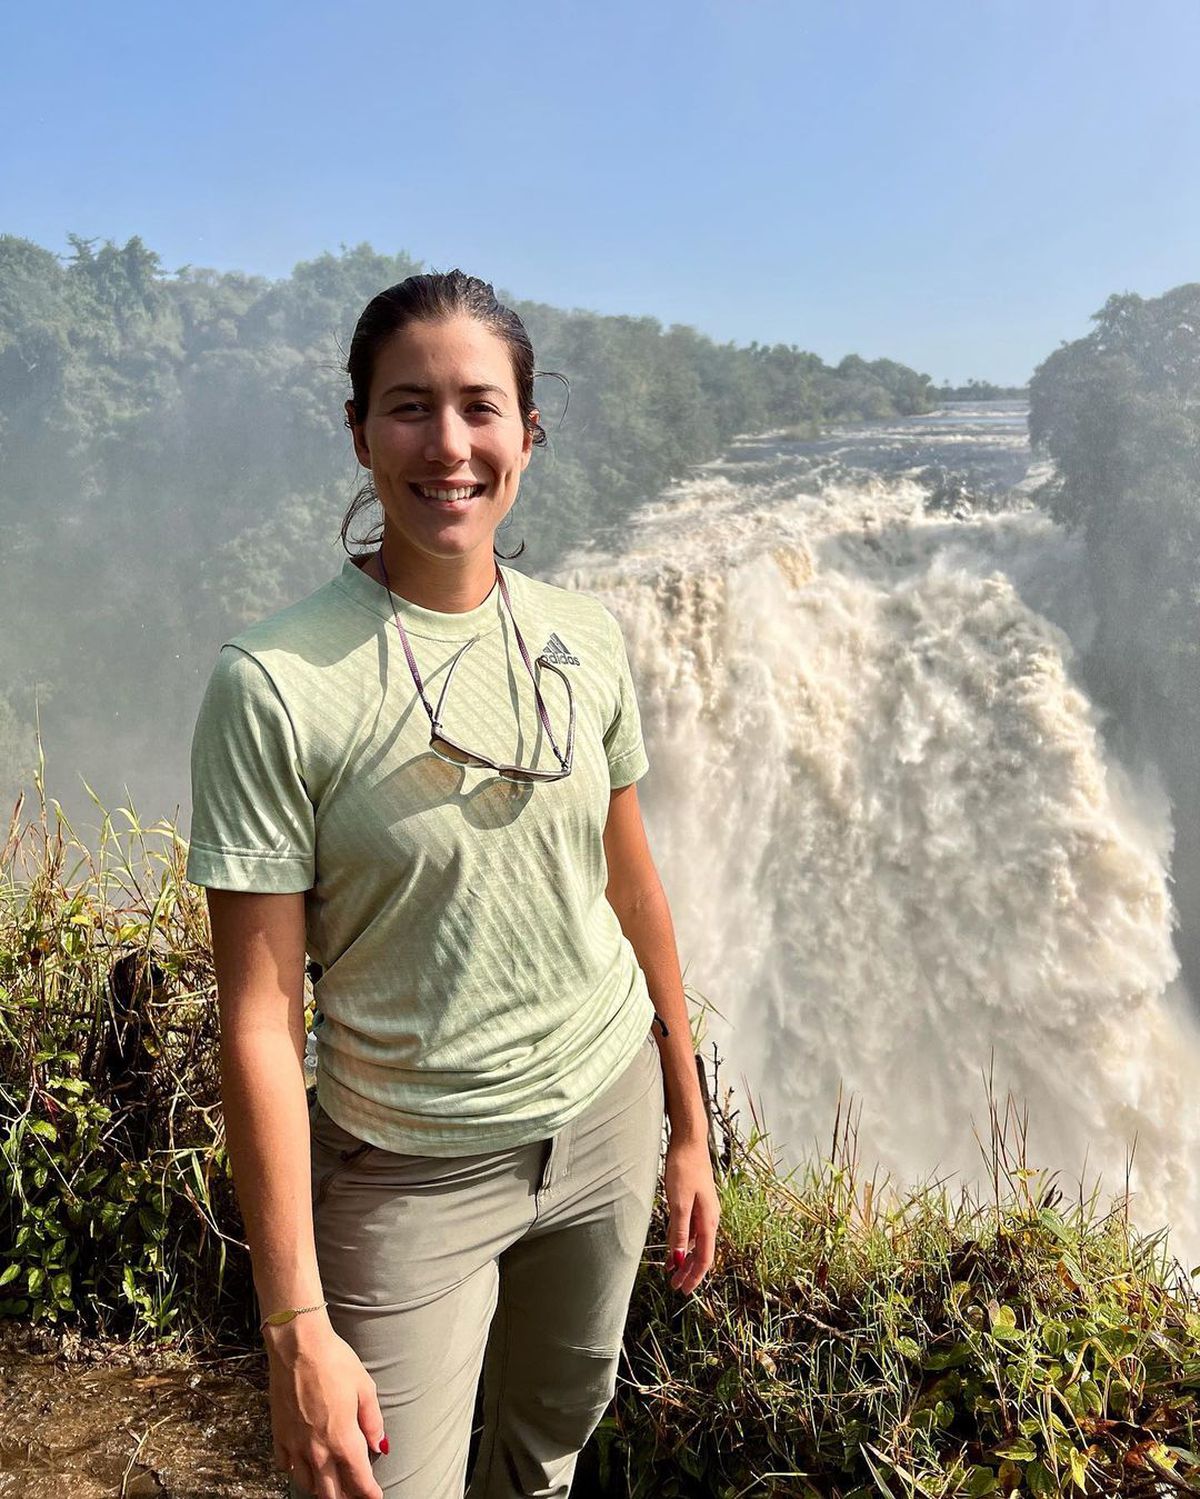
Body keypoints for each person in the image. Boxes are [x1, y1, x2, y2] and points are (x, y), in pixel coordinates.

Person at [185, 269, 720, 1499]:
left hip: (604, 1123)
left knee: (546, 1448)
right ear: (361, 430)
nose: (449, 444)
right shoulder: (275, 682)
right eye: (409, 406)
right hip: (406, 1172)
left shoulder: (587, 636)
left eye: (481, 407)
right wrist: (295, 1326)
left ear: (528, 432)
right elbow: (260, 1022)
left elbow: (634, 893)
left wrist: (687, 1126)